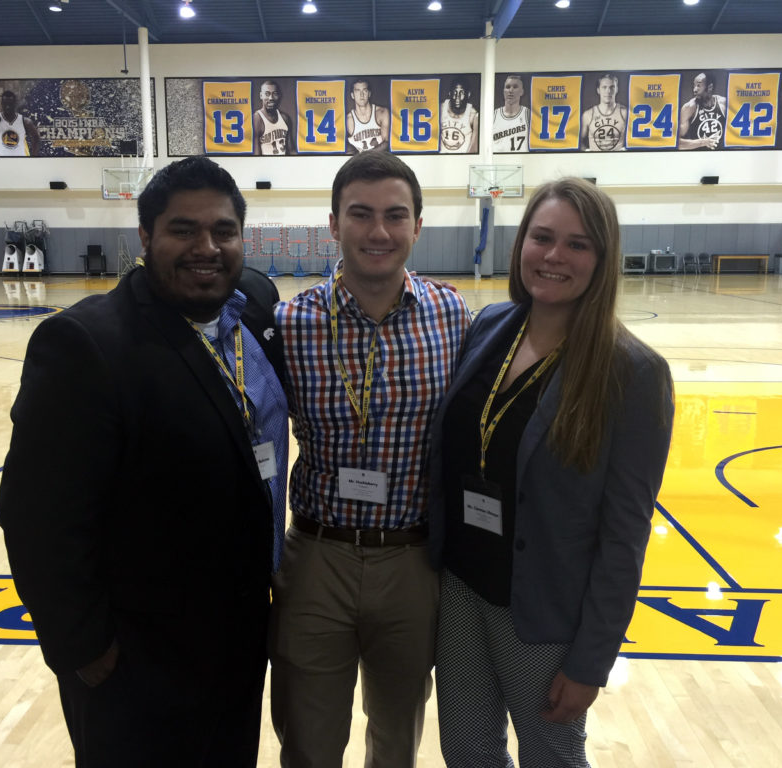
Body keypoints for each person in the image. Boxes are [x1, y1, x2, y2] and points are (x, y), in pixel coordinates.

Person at [0, 155, 289, 767]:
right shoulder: (87, 344)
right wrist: (82, 645)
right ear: (146, 237)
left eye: (223, 231)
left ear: (242, 237)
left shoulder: (254, 307)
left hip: (237, 638)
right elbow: (35, 516)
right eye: (184, 230)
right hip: (136, 658)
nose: (205, 247)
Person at [428, 178, 674, 767]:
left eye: (578, 245)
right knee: (466, 751)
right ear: (521, 246)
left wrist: (591, 660)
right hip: (462, 588)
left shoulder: (631, 373)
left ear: (603, 259)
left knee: (550, 755)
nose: (554, 256)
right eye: (542, 237)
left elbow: (624, 537)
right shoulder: (489, 327)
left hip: (540, 610)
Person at [270, 151, 470, 767]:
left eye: (394, 215)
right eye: (360, 214)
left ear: (417, 224)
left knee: (397, 738)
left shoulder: (454, 317)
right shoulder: (289, 323)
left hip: (412, 563)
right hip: (316, 559)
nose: (378, 232)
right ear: (333, 223)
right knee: (308, 740)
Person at [0, 87, 41, 156]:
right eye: (5, 103)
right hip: (1, 164)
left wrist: (33, 157)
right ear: (2, 104)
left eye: (10, 103)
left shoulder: (25, 121)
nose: (8, 106)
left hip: (21, 163)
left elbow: (36, 138)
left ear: (15, 104)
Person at [679, 72, 727, 150]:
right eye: (694, 85)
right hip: (697, 157)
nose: (694, 90)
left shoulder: (723, 103)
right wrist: (703, 142)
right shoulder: (689, 108)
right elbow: (676, 143)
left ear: (710, 87)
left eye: (698, 85)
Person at [580, 74, 628, 151]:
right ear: (598, 90)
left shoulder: (625, 113)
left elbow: (636, 141)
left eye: (612, 87)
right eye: (604, 87)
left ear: (617, 89)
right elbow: (578, 142)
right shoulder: (588, 114)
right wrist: (587, 153)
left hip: (619, 160)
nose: (608, 91)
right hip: (595, 161)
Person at [346, 78, 390, 153]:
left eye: (364, 90)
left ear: (369, 93)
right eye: (357, 91)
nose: (361, 95)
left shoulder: (381, 112)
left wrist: (365, 155)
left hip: (379, 159)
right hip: (359, 162)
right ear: (352, 95)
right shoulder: (348, 120)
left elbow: (386, 143)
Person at [253, 79, 295, 155]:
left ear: (279, 96)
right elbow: (256, 155)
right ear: (261, 96)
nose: (271, 98)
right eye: (267, 94)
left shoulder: (285, 118)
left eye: (274, 94)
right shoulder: (257, 118)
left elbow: (291, 150)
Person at [492, 74, 531, 153]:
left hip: (522, 162)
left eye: (515, 87)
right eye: (508, 87)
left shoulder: (528, 114)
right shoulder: (493, 115)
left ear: (522, 92)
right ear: (503, 91)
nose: (511, 90)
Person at [441, 78, 480, 153]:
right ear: (450, 93)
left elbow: (474, 147)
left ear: (468, 95)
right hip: (443, 159)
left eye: (461, 93)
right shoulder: (441, 109)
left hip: (462, 159)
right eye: (454, 92)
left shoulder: (473, 114)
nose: (457, 97)